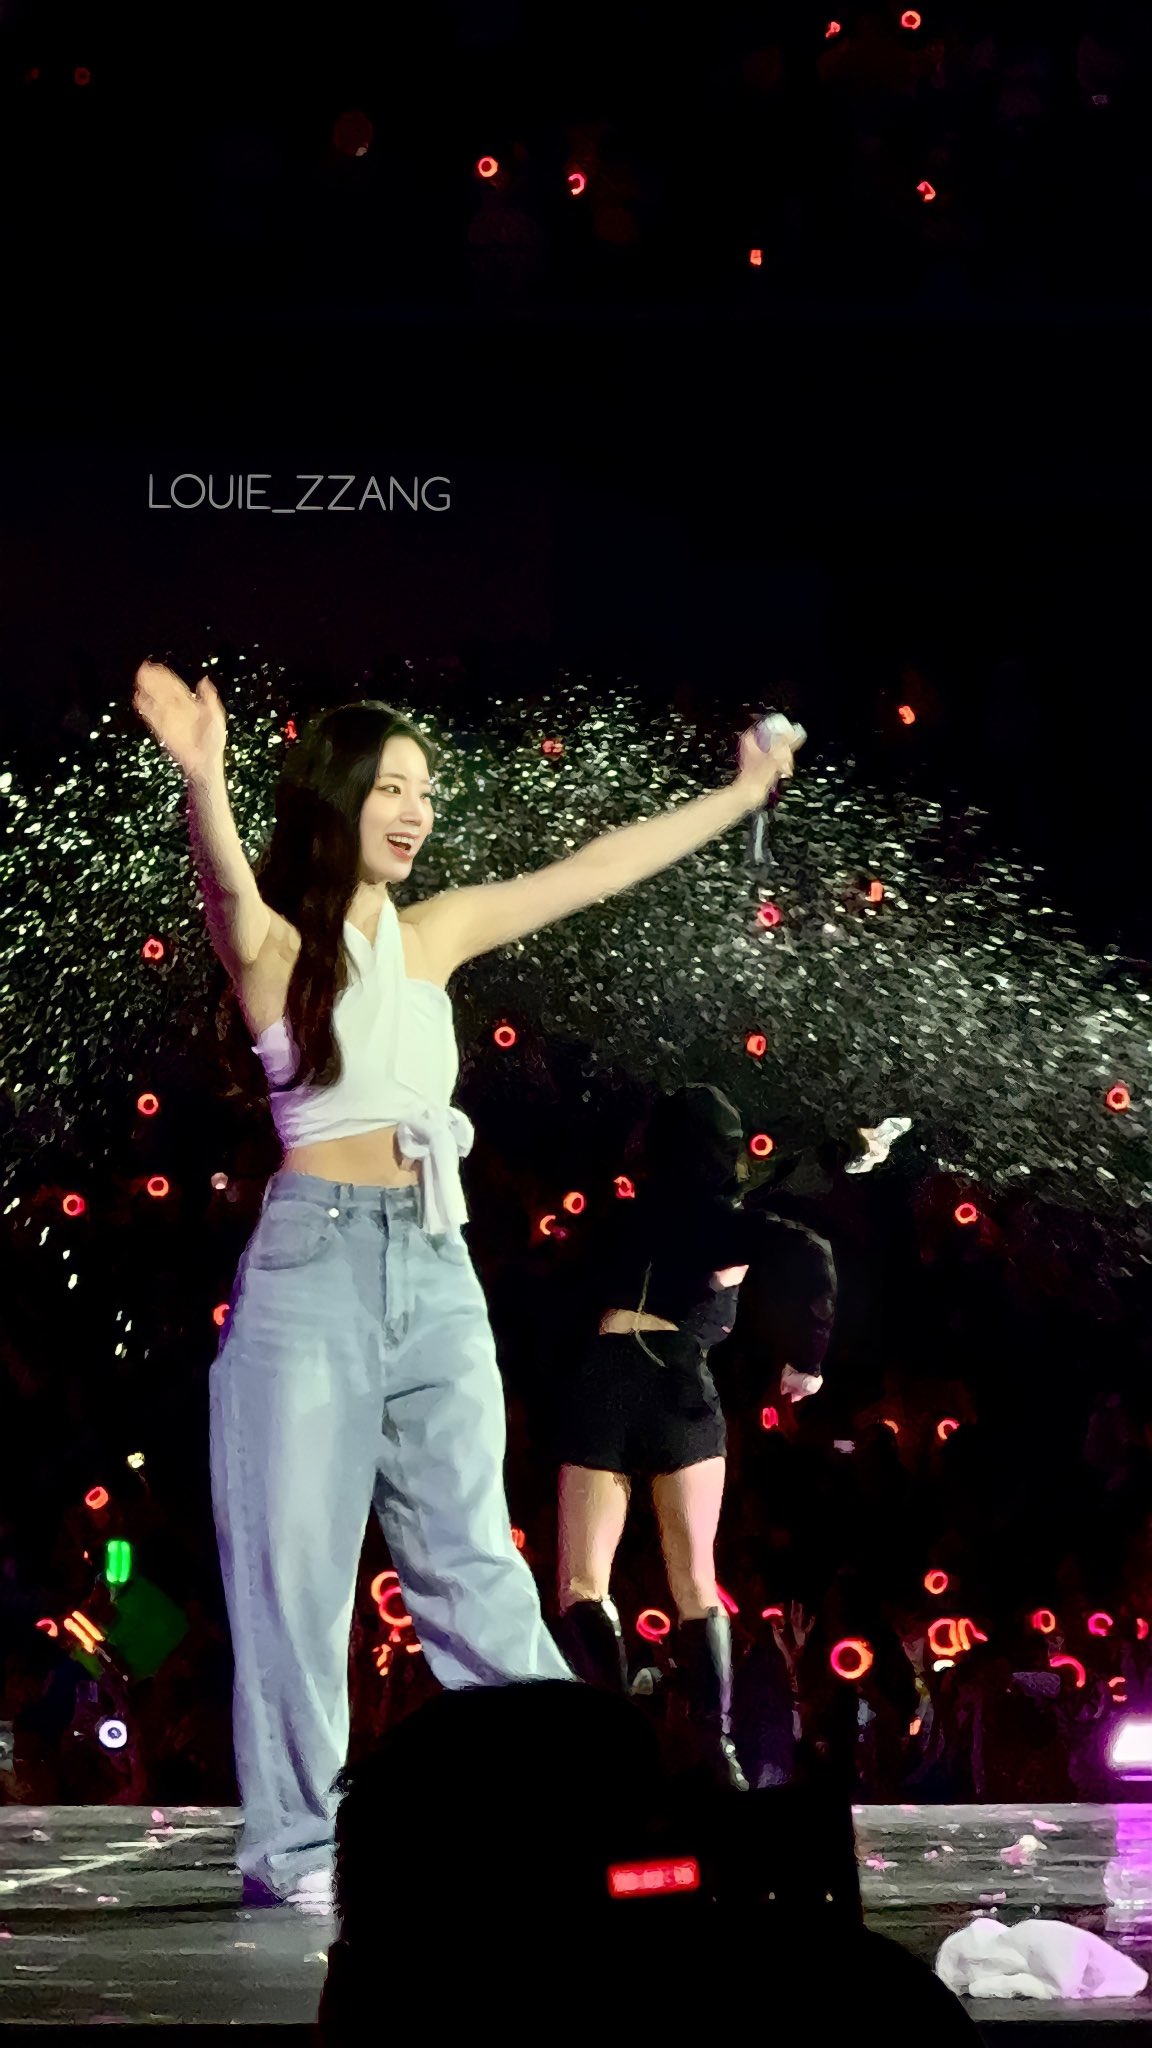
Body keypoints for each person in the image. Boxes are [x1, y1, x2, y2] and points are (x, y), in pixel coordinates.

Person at [131, 660, 802, 1907]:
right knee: (295, 1576)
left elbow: (594, 869)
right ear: (337, 797)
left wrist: (738, 792)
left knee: (478, 1568)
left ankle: (574, 1811)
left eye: (426, 791)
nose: (416, 810)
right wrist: (204, 778)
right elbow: (223, 887)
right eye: (392, 786)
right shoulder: (281, 945)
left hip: (437, 1267)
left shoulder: (431, 932)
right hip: (312, 1270)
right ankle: (298, 1850)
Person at [554, 1083, 777, 1789]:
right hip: (679, 1381)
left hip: (610, 1378)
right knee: (695, 1579)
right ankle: (717, 1750)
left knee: (582, 1584)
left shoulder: (628, 1215)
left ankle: (618, 1744)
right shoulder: (728, 1220)